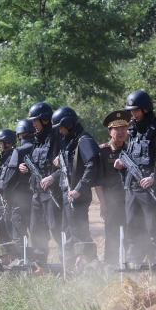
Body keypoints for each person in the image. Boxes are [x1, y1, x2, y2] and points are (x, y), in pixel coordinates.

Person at [114, 90, 156, 263]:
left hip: (151, 189)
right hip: (132, 188)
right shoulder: (133, 131)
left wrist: (155, 177)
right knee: (132, 228)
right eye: (131, 111)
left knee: (155, 229)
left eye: (136, 110)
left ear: (146, 109)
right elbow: (132, 158)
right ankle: (134, 264)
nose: (133, 114)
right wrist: (122, 165)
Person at [51, 107, 100, 258]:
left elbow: (93, 165)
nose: (60, 131)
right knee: (68, 232)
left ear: (68, 123)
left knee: (80, 234)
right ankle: (70, 265)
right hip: (68, 194)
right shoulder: (70, 140)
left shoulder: (83, 140)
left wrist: (79, 188)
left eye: (61, 127)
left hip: (77, 195)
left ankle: (90, 265)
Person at [18, 102, 64, 263]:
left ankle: (67, 264)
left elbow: (69, 165)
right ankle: (39, 265)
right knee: (37, 230)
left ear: (45, 119)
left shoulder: (58, 137)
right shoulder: (37, 140)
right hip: (37, 193)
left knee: (56, 229)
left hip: (53, 194)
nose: (33, 124)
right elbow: (37, 164)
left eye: (35, 121)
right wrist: (25, 168)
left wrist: (53, 177)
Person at [94, 110, 132, 264]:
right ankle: (110, 267)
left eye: (124, 128)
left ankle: (130, 264)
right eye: (117, 129)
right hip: (112, 202)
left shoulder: (131, 149)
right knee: (112, 235)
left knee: (131, 233)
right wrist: (103, 204)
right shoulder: (102, 152)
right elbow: (97, 181)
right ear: (110, 131)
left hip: (130, 200)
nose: (121, 132)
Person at [0, 121, 34, 250]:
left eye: (1, 142)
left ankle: (25, 261)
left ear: (9, 143)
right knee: (12, 233)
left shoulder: (17, 153)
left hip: (19, 200)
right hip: (14, 200)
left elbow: (9, 174)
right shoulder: (9, 156)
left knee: (18, 234)